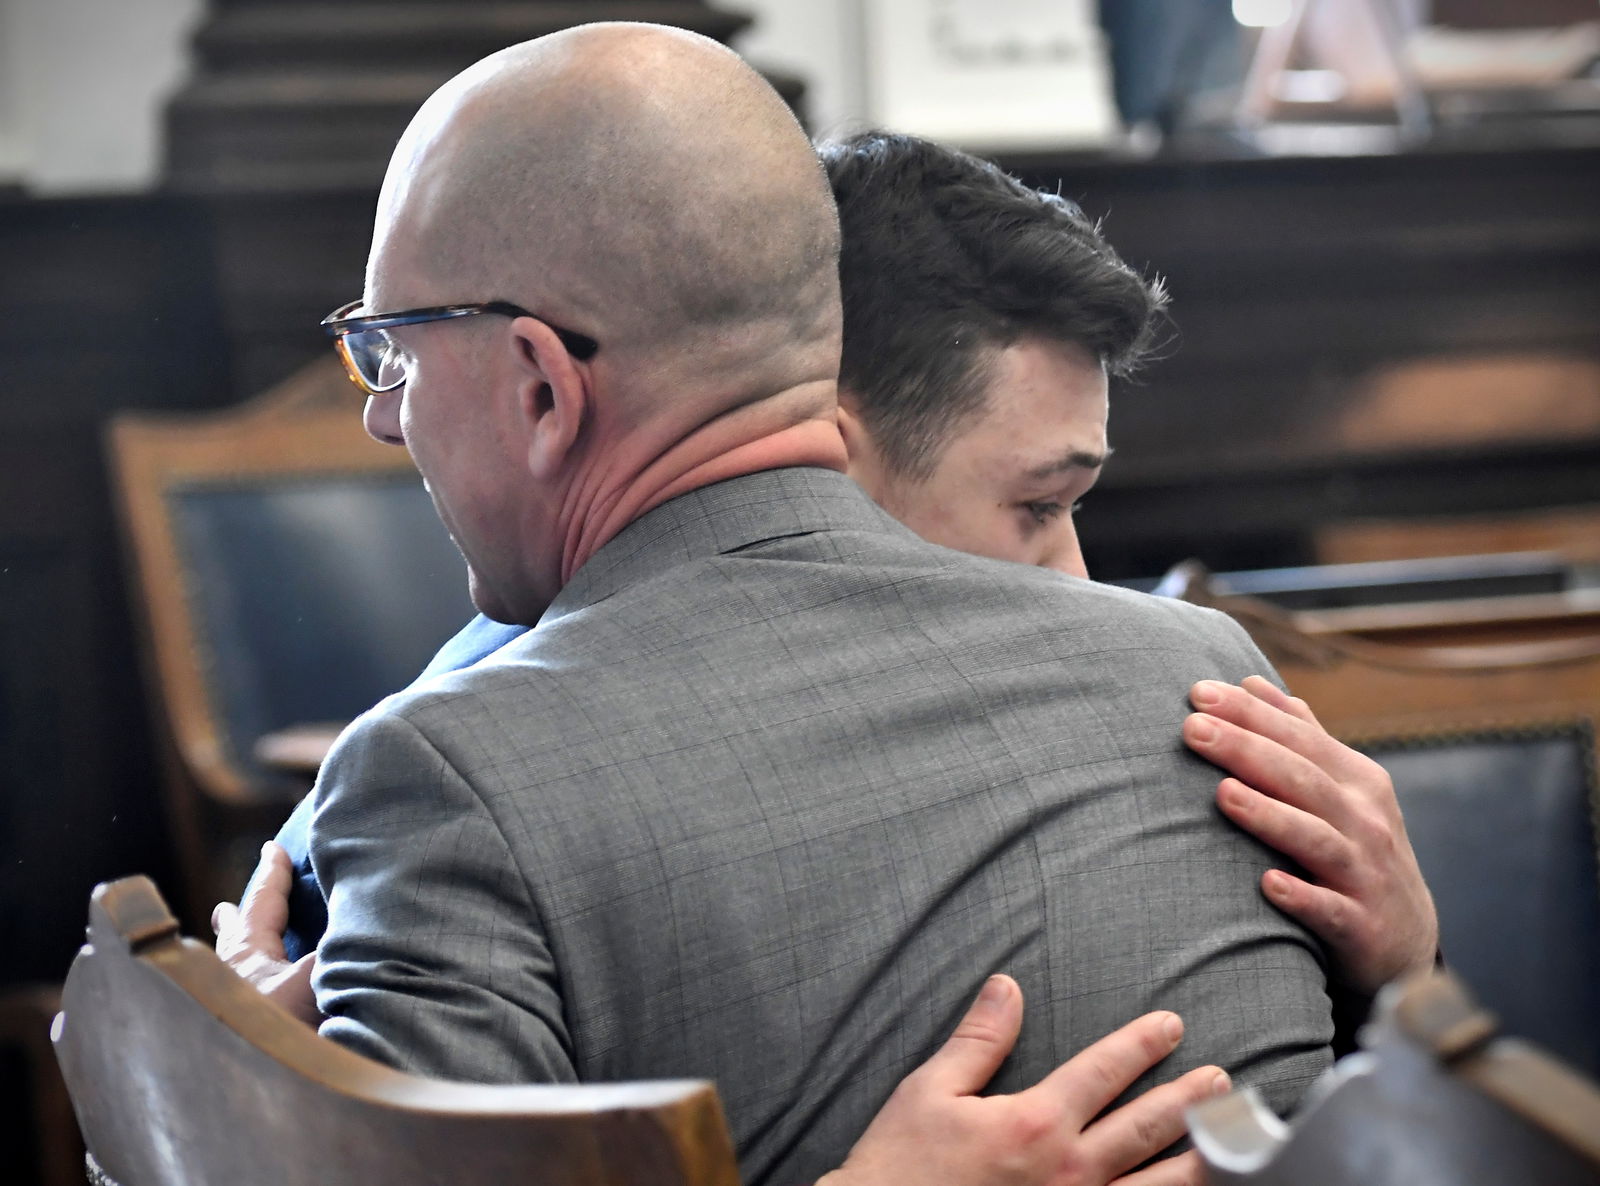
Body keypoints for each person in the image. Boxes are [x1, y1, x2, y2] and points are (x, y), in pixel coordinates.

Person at [215, 23, 1429, 1186]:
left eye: (399, 352)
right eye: (1033, 504)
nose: (383, 412)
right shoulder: (1203, 678)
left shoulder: (439, 786)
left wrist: (235, 1096)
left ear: (541, 385)